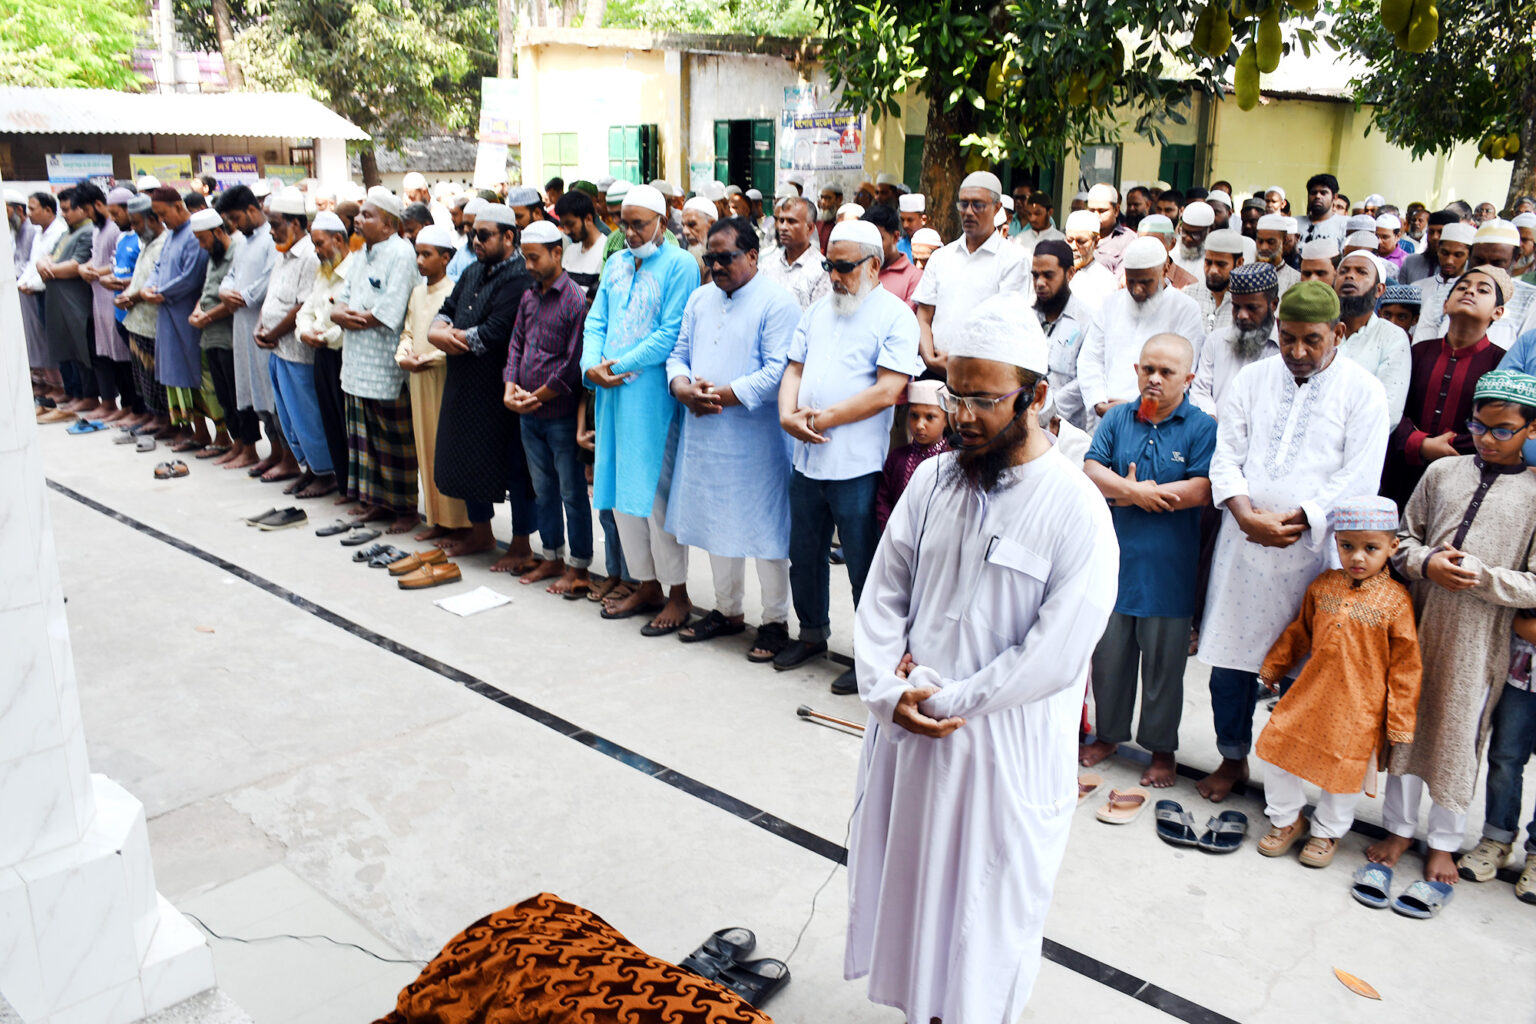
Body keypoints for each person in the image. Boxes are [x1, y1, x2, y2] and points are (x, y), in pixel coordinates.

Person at [844, 291, 1118, 1024]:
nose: (962, 416)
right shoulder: (933, 480)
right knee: (914, 902)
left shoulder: (1076, 507)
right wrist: (884, 689)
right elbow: (884, 592)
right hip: (912, 734)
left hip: (1004, 752)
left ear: (1035, 396)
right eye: (954, 396)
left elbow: (1055, 654)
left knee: (986, 920)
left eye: (983, 401)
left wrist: (946, 700)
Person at [1197, 281, 1391, 801]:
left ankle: (1286, 783)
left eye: (1312, 340)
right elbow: (1226, 453)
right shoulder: (1253, 379)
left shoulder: (1365, 391)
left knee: (1301, 674)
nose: (1297, 351)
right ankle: (1232, 759)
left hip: (1313, 556)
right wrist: (1244, 513)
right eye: (1287, 338)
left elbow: (1359, 476)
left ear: (1339, 333)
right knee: (1230, 666)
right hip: (1242, 546)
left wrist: (1302, 518)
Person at [1367, 370, 1536, 887]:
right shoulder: (1442, 472)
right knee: (1406, 725)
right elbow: (1402, 540)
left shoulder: (1535, 493)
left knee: (1460, 736)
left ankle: (1443, 841)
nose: (1487, 439)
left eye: (1503, 430)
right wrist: (1427, 564)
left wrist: (1482, 577)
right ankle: (1398, 829)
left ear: (1531, 429)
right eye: (1478, 426)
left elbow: (1534, 584)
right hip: (1419, 623)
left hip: (1480, 639)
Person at [775, 219, 918, 692]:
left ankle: (870, 658)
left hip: (857, 466)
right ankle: (811, 633)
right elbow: (794, 369)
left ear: (874, 266)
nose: (835, 276)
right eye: (829, 266)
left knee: (864, 566)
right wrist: (787, 415)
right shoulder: (817, 311)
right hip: (806, 458)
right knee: (804, 555)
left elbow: (888, 391)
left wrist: (822, 419)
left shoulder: (895, 317)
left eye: (845, 267)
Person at [662, 217, 802, 658]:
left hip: (756, 441)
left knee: (767, 531)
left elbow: (779, 371)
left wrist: (721, 396)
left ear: (753, 256)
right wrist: (682, 387)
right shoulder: (700, 298)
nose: (716, 265)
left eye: (726, 257)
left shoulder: (777, 303)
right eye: (711, 257)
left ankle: (775, 622)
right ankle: (727, 610)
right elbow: (678, 353)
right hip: (706, 435)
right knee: (717, 521)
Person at [1254, 496, 1421, 867]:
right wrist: (1273, 668)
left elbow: (1406, 667)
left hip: (1360, 707)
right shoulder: (1324, 585)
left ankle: (1327, 831)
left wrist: (1400, 721)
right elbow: (1299, 632)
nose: (1357, 557)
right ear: (1336, 543)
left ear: (1393, 547)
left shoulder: (1396, 602)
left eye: (1370, 548)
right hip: (1310, 694)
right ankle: (1286, 818)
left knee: (1343, 773)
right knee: (1275, 748)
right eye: (1347, 546)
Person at [1081, 333, 1216, 788]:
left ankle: (1161, 750)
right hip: (1115, 566)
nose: (1154, 379)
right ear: (1137, 370)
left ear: (1188, 379)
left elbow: (1202, 489)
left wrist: (1130, 495)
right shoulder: (1118, 418)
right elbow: (1091, 470)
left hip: (1169, 571)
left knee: (1164, 669)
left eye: (1166, 372)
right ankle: (1108, 736)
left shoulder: (1201, 427)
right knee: (1109, 660)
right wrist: (1134, 491)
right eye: (1148, 369)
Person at [581, 184, 700, 634]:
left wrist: (616, 366)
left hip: (650, 396)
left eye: (639, 224)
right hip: (609, 392)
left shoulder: (680, 265)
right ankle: (646, 584)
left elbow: (670, 333)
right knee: (618, 492)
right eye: (624, 223)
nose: (629, 232)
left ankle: (678, 593)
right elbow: (596, 320)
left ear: (662, 223)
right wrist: (590, 366)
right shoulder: (615, 262)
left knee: (654, 496)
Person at [429, 202, 539, 565]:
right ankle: (481, 533)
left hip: (502, 388)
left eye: (485, 235)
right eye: (473, 233)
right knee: (465, 458)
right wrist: (436, 329)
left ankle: (521, 545)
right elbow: (448, 308)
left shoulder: (521, 276)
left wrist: (447, 337)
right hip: (465, 384)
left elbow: (494, 332)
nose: (476, 240)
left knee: (515, 468)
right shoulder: (473, 270)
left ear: (509, 237)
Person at [498, 219, 593, 596]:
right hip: (528, 413)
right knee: (543, 489)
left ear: (557, 253)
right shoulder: (529, 296)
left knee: (571, 491)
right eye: (525, 258)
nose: (529, 266)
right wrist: (510, 388)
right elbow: (516, 345)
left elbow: (572, 365)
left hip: (559, 415)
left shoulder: (574, 300)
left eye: (535, 258)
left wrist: (536, 396)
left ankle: (579, 566)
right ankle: (552, 556)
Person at [1383, 266, 1511, 508]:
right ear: (1445, 305)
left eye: (1482, 290)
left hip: (1464, 480)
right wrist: (1419, 443)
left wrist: (1449, 447)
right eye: (1462, 287)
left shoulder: (1501, 363)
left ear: (1498, 312)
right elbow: (1391, 406)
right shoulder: (1419, 352)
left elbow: (1499, 425)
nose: (1470, 292)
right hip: (1402, 471)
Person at [334, 189, 422, 534]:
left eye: (367, 215)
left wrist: (353, 317)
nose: (358, 220)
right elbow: (341, 297)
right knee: (365, 441)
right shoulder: (361, 253)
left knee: (393, 441)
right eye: (359, 214)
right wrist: (341, 313)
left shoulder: (401, 253)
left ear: (388, 224)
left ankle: (404, 509)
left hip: (385, 364)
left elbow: (391, 309)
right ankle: (376, 502)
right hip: (356, 362)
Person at [1077, 236, 1205, 430]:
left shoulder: (1186, 309)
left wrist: (1138, 410)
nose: (1137, 289)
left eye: (1146, 282)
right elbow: (1090, 359)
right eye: (1132, 281)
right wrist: (1098, 403)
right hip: (1107, 418)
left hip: (1158, 423)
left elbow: (1182, 373)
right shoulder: (1111, 304)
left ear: (1164, 270)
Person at [392, 223, 469, 538]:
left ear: (446, 258)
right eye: (418, 254)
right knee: (425, 449)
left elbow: (458, 339)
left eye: (427, 254)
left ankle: (459, 525)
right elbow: (409, 332)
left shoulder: (455, 291)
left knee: (448, 451)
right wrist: (404, 356)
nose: (420, 261)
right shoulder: (417, 292)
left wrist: (430, 359)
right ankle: (436, 520)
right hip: (418, 380)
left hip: (444, 379)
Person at [912, 171, 1029, 375]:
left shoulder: (1013, 260)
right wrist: (929, 358)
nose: (968, 212)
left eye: (978, 205)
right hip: (935, 369)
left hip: (983, 375)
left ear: (997, 208)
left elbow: (1006, 326)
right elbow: (923, 315)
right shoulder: (941, 257)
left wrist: (966, 367)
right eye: (964, 204)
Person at [258, 192, 325, 490]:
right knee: (289, 418)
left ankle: (324, 474)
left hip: (298, 352)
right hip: (278, 351)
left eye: (276, 225)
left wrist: (272, 333)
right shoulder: (282, 254)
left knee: (307, 417)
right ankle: (308, 468)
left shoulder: (309, 256)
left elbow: (303, 305)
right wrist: (260, 326)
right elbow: (271, 298)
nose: (271, 231)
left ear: (295, 224)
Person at [215, 184, 283, 474]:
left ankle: (286, 457)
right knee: (255, 394)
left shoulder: (271, 239)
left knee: (271, 394)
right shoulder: (241, 242)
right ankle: (275, 452)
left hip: (264, 326)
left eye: (235, 218)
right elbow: (230, 275)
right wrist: (224, 292)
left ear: (252, 209)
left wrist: (243, 296)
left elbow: (269, 278)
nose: (233, 224)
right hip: (242, 327)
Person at [142, 186, 210, 444]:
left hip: (186, 315)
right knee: (174, 375)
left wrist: (160, 292)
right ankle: (187, 429)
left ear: (179, 207)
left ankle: (203, 432)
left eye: (163, 214)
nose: (161, 220)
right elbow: (158, 267)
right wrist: (149, 287)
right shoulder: (171, 235)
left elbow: (191, 277)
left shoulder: (194, 234)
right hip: (168, 314)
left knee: (191, 374)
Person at [295, 211, 356, 498]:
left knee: (349, 426)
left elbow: (351, 319)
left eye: (320, 244)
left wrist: (324, 336)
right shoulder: (323, 273)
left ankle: (358, 490)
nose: (317, 251)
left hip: (345, 355)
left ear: (339, 240)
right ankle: (343, 487)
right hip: (322, 356)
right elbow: (306, 310)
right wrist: (305, 333)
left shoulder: (355, 272)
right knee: (331, 422)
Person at [36, 188, 99, 418]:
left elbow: (75, 266)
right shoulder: (67, 233)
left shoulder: (88, 232)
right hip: (60, 302)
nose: (64, 214)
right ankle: (76, 394)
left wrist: (48, 268)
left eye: (67, 209)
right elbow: (49, 257)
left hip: (77, 303)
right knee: (68, 349)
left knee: (83, 351)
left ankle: (89, 396)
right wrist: (42, 264)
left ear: (81, 208)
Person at [186, 207, 242, 461]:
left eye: (203, 239)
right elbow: (207, 291)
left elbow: (235, 298)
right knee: (223, 396)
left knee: (235, 396)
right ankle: (236, 445)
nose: (201, 245)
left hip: (229, 338)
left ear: (218, 232)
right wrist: (197, 312)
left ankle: (247, 449)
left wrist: (206, 317)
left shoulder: (236, 253)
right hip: (210, 336)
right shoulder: (214, 255)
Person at [1191, 263, 1280, 416]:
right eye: (1236, 307)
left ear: (1273, 304)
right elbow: (1200, 391)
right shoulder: (1216, 341)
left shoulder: (1284, 350)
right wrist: (1211, 421)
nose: (1241, 315)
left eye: (1251, 308)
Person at [1334, 250, 1411, 424]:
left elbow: (1387, 411)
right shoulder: (1320, 329)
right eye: (1343, 271)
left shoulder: (1393, 337)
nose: (1350, 276)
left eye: (1361, 272)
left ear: (1379, 289)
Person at [115, 196, 170, 435]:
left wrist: (133, 297)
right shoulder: (147, 242)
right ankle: (152, 416)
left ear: (153, 220)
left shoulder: (165, 244)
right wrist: (127, 294)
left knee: (155, 377)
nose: (134, 228)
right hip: (137, 321)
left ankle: (164, 421)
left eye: (137, 223)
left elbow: (160, 284)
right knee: (143, 378)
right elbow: (140, 278)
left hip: (153, 323)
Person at [873, 378, 949, 534]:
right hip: (896, 536)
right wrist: (889, 530)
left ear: (947, 420)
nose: (920, 425)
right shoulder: (897, 457)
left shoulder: (952, 459)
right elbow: (883, 500)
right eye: (914, 416)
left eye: (930, 417)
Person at [1032, 239, 1093, 431]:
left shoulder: (1087, 321)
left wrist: (1044, 412)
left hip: (1067, 430)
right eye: (1035, 275)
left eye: (1048, 275)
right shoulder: (1026, 317)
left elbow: (1086, 379)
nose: (1040, 283)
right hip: (1025, 423)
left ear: (1070, 273)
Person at [760, 197, 828, 310]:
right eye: (781, 220)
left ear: (810, 228)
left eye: (791, 221)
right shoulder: (768, 263)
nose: (783, 227)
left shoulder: (821, 270)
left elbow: (817, 316)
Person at [1184, 228, 1245, 333]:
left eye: (1221, 264)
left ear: (1239, 263)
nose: (1213, 270)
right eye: (1208, 263)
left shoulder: (1247, 302)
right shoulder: (1189, 295)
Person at [864, 203, 921, 310]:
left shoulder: (915, 278)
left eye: (879, 239)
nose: (872, 247)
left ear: (895, 237)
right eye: (867, 241)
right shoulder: (860, 272)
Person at [553, 190, 605, 301]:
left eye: (570, 224)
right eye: (563, 225)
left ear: (588, 219)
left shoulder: (606, 251)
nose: (566, 231)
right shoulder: (570, 251)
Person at [1062, 209, 1117, 314]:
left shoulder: (1106, 281)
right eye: (1069, 240)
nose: (1073, 247)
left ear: (1095, 242)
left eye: (1081, 241)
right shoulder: (1056, 272)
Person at [1086, 183, 1133, 273]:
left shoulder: (1128, 240)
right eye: (1091, 210)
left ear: (1116, 210)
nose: (1096, 216)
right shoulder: (1077, 234)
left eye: (1102, 211)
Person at [1254, 213, 1303, 295]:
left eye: (1271, 242)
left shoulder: (1296, 280)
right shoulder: (1245, 275)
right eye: (1260, 241)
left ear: (1284, 241)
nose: (1264, 247)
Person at [1297, 173, 1348, 245]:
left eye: (1323, 193)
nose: (1317, 196)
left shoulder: (1345, 225)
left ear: (1334, 197)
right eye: (1313, 193)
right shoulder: (1295, 223)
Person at [1013, 191, 1064, 258]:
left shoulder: (1061, 240)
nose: (1032, 219)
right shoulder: (1019, 240)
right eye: (1029, 214)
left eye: (1037, 214)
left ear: (1050, 212)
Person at [1173, 200, 1215, 280]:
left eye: (1195, 235)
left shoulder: (1215, 262)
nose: (1188, 238)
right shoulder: (1172, 253)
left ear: (1209, 230)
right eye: (1185, 232)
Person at [895, 193, 926, 261]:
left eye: (910, 220)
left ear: (923, 220)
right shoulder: (897, 248)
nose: (905, 225)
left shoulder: (934, 247)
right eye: (902, 220)